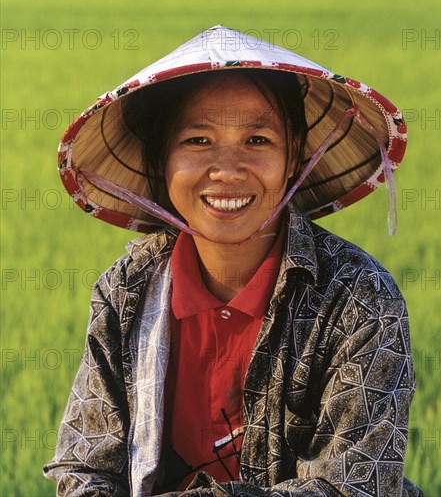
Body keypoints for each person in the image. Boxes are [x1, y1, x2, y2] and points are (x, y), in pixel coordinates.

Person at [44, 26, 422, 496]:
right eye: (199, 140)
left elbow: (357, 487)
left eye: (258, 140)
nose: (227, 169)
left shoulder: (359, 299)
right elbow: (86, 467)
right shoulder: (126, 291)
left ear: (293, 159)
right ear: (161, 160)